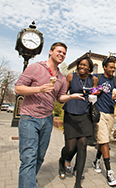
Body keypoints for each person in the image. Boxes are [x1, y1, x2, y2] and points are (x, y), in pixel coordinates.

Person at [15, 42, 85, 188]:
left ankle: (28, 181)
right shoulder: (35, 68)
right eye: (59, 51)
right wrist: (39, 89)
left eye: (64, 53)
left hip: (47, 120)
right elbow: (18, 88)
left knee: (39, 157)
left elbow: (60, 97)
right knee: (29, 158)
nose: (61, 54)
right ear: (50, 52)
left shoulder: (61, 77)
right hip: (30, 117)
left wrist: (72, 96)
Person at [58, 56, 98, 188]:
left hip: (85, 115)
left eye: (85, 65)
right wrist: (70, 96)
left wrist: (95, 95)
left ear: (90, 68)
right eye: (80, 64)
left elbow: (94, 93)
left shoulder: (94, 79)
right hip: (71, 113)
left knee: (82, 146)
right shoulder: (70, 76)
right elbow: (62, 95)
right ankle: (62, 161)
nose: (81, 67)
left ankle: (77, 184)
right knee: (70, 147)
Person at [92, 56, 116, 186]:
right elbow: (90, 92)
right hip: (100, 113)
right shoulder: (97, 78)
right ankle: (109, 171)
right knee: (105, 141)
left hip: (111, 113)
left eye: (114, 68)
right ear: (104, 67)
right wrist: (96, 91)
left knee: (103, 140)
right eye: (110, 67)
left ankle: (96, 160)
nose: (113, 70)